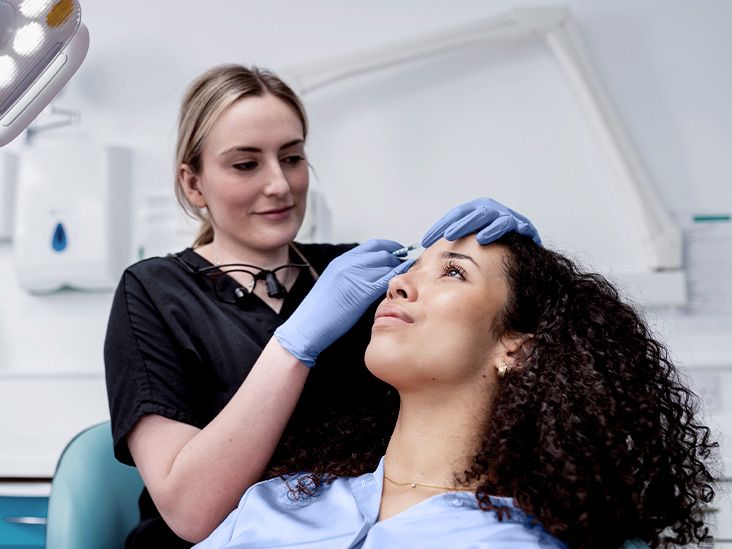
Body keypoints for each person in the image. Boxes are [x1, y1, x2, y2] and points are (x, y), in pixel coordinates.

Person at [103, 62, 539, 547]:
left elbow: (487, 355)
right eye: (246, 164)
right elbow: (189, 512)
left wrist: (521, 272)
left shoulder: (361, 276)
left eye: (291, 158)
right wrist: (295, 342)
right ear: (193, 183)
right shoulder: (153, 293)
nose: (280, 185)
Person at [194, 232, 717, 549]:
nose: (397, 284)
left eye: (452, 272)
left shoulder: (511, 540)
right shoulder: (279, 499)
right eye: (408, 268)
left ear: (518, 349)